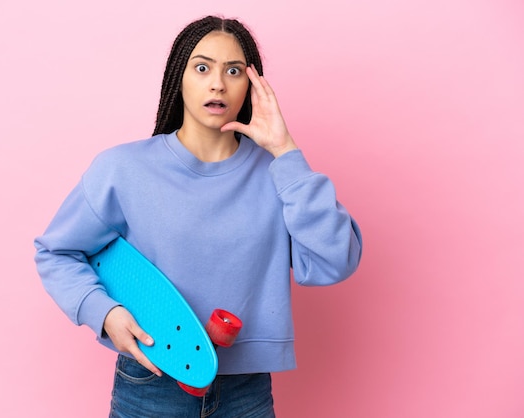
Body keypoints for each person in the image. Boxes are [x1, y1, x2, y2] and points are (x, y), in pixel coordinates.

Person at [34, 15, 362, 417]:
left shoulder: (279, 175)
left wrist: (286, 151)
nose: (218, 84)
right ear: (180, 77)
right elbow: (56, 252)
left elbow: (335, 261)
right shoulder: (123, 169)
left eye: (234, 71)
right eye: (202, 67)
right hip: (150, 384)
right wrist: (103, 313)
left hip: (247, 391)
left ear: (253, 86)